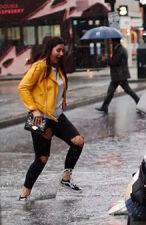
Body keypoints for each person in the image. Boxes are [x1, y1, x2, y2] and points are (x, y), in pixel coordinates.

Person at [18, 37, 85, 200]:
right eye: (58, 50)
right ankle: (25, 192)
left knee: (78, 142)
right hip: (39, 117)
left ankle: (66, 179)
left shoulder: (59, 68)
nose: (61, 53)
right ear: (50, 50)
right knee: (42, 158)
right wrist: (34, 110)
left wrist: (63, 101)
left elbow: (58, 89)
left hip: (56, 116)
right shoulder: (40, 67)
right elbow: (23, 87)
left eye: (63, 50)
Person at [95, 38, 140, 114]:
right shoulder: (120, 49)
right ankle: (104, 107)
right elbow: (115, 60)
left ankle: (140, 104)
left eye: (112, 42)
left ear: (115, 42)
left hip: (120, 75)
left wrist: (106, 59)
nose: (111, 43)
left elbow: (115, 62)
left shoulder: (120, 50)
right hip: (118, 75)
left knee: (127, 90)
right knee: (111, 92)